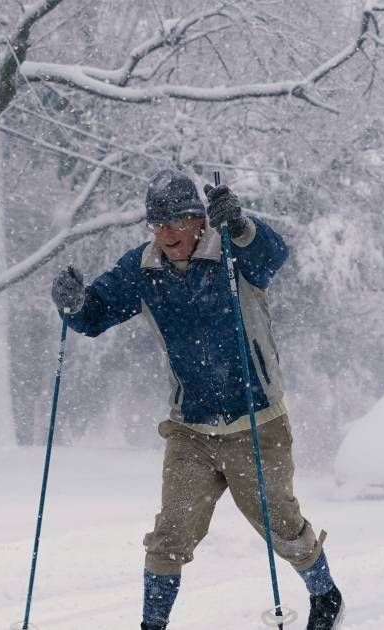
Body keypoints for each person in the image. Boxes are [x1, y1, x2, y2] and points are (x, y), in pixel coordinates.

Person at [50, 169, 343, 630]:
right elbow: (92, 316)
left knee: (282, 527)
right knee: (169, 534)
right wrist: (73, 303)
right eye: (157, 223)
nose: (166, 232)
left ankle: (325, 595)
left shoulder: (233, 252)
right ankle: (152, 626)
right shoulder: (141, 269)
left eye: (176, 221)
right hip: (191, 429)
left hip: (256, 422)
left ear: (198, 219)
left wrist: (242, 226)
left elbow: (273, 255)